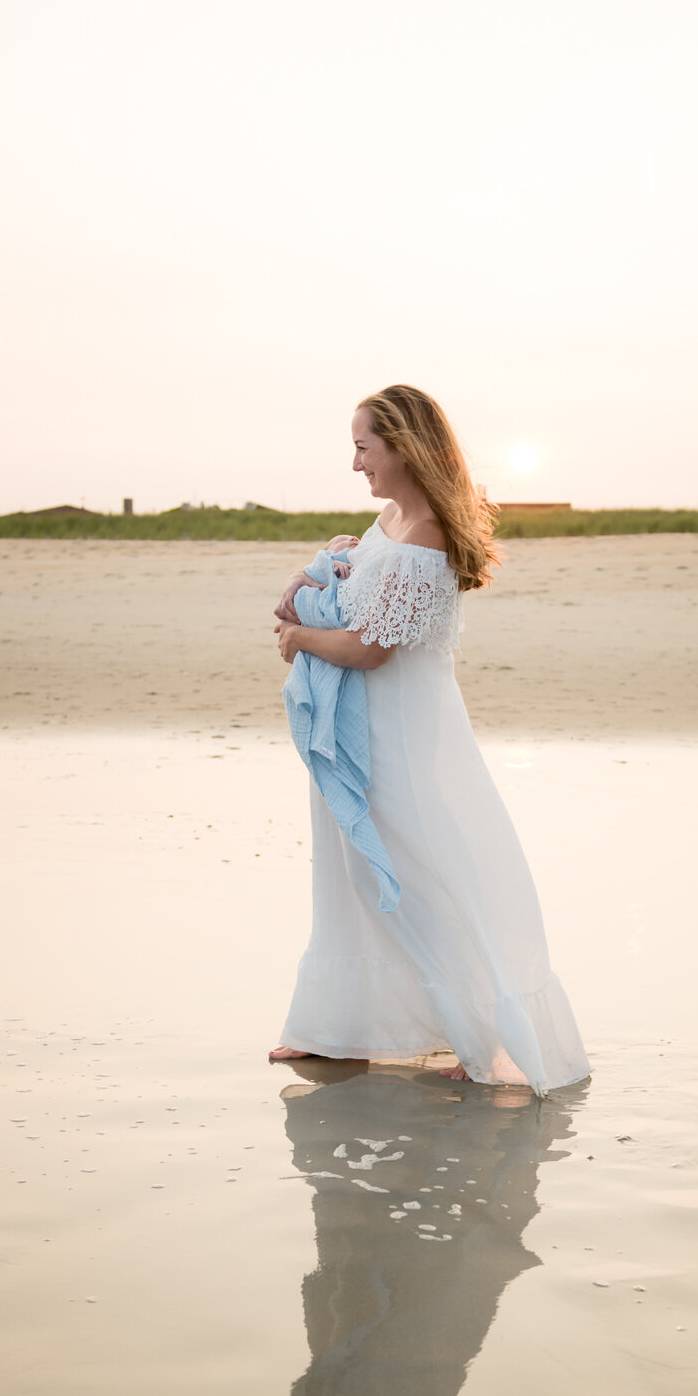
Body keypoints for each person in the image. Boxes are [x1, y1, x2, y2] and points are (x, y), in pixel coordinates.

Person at [269, 384, 588, 1095]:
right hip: (362, 732)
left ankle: (478, 1033)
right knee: (354, 874)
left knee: (420, 878)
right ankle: (340, 1028)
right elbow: (357, 600)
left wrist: (297, 637)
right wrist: (328, 565)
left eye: (363, 447)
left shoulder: (427, 536)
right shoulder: (389, 520)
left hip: (403, 742)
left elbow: (370, 648)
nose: (355, 464)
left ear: (403, 448)